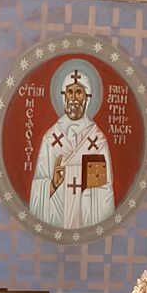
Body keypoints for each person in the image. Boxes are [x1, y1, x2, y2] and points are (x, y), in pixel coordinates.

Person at [27, 66, 115, 231]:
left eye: (79, 92)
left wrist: (87, 192)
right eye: (70, 92)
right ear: (63, 96)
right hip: (58, 217)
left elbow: (104, 191)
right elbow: (39, 184)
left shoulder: (97, 140)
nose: (73, 98)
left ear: (87, 98)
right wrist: (52, 184)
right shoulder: (51, 138)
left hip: (84, 220)